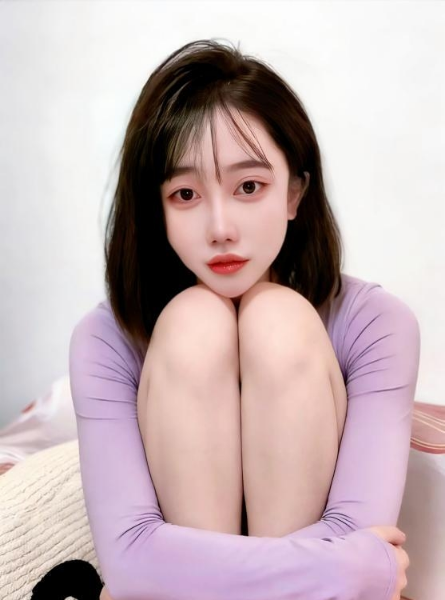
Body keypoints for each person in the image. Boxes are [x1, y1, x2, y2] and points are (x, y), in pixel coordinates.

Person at [69, 39, 420, 600]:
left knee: (277, 318)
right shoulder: (105, 339)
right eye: (185, 193)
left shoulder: (378, 324)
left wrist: (171, 573)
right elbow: (131, 558)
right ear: (156, 209)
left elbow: (357, 532)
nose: (220, 228)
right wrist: (343, 568)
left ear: (295, 193)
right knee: (194, 321)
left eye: (249, 187)